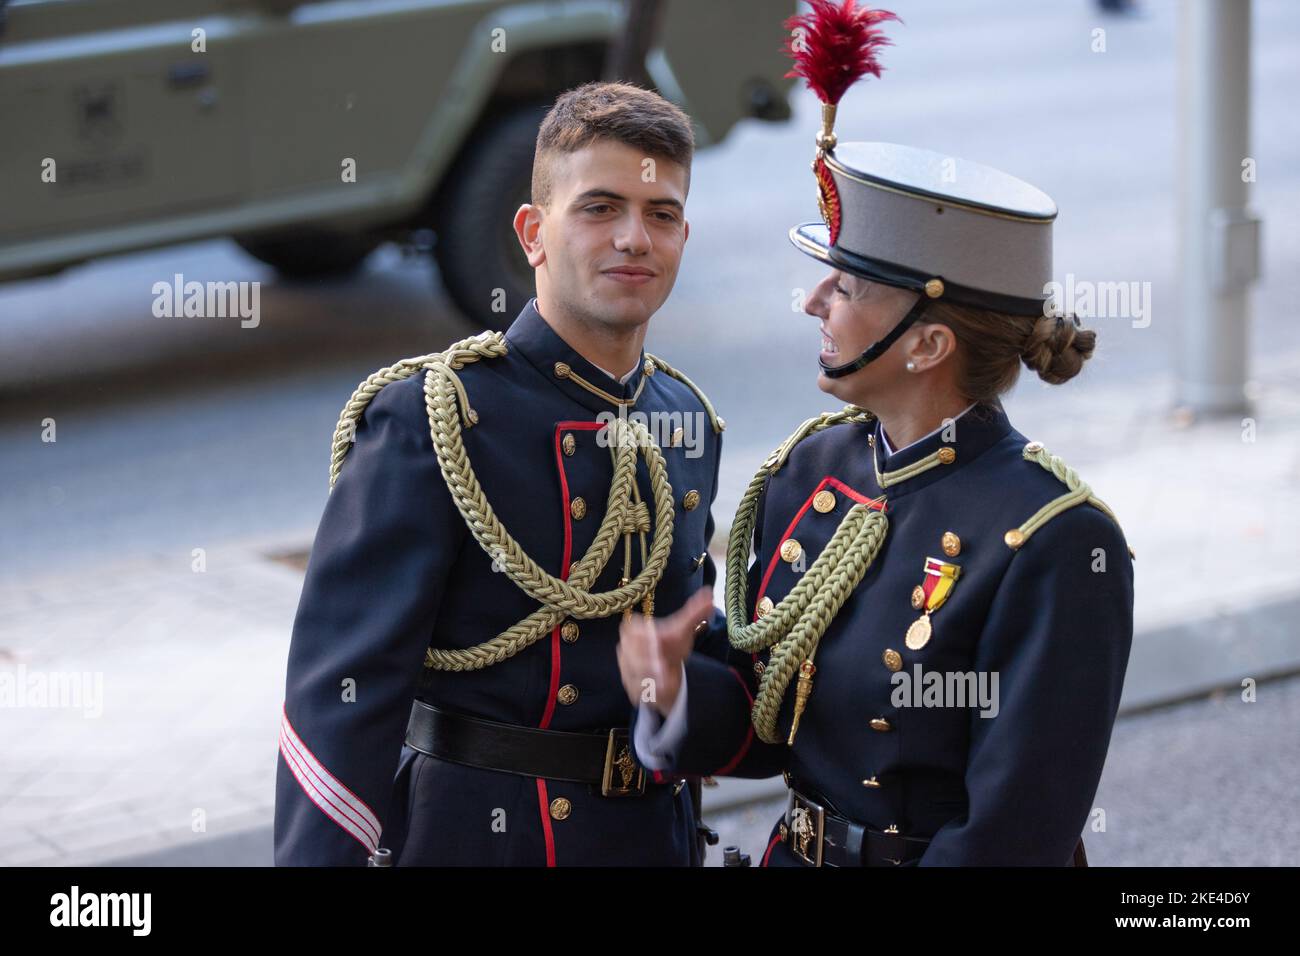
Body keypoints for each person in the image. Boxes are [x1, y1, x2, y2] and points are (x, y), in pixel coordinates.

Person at [617, 1, 1134, 866]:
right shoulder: (813, 469)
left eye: (846, 287)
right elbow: (769, 721)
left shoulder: (1055, 541)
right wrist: (671, 687)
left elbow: (1010, 836)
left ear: (929, 343)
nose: (814, 302)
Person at [274, 81, 730, 866]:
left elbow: (698, 657)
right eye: (598, 208)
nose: (634, 238)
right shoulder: (435, 416)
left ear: (684, 235)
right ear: (532, 232)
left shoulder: (683, 420)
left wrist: (682, 691)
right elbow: (339, 705)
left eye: (661, 215)